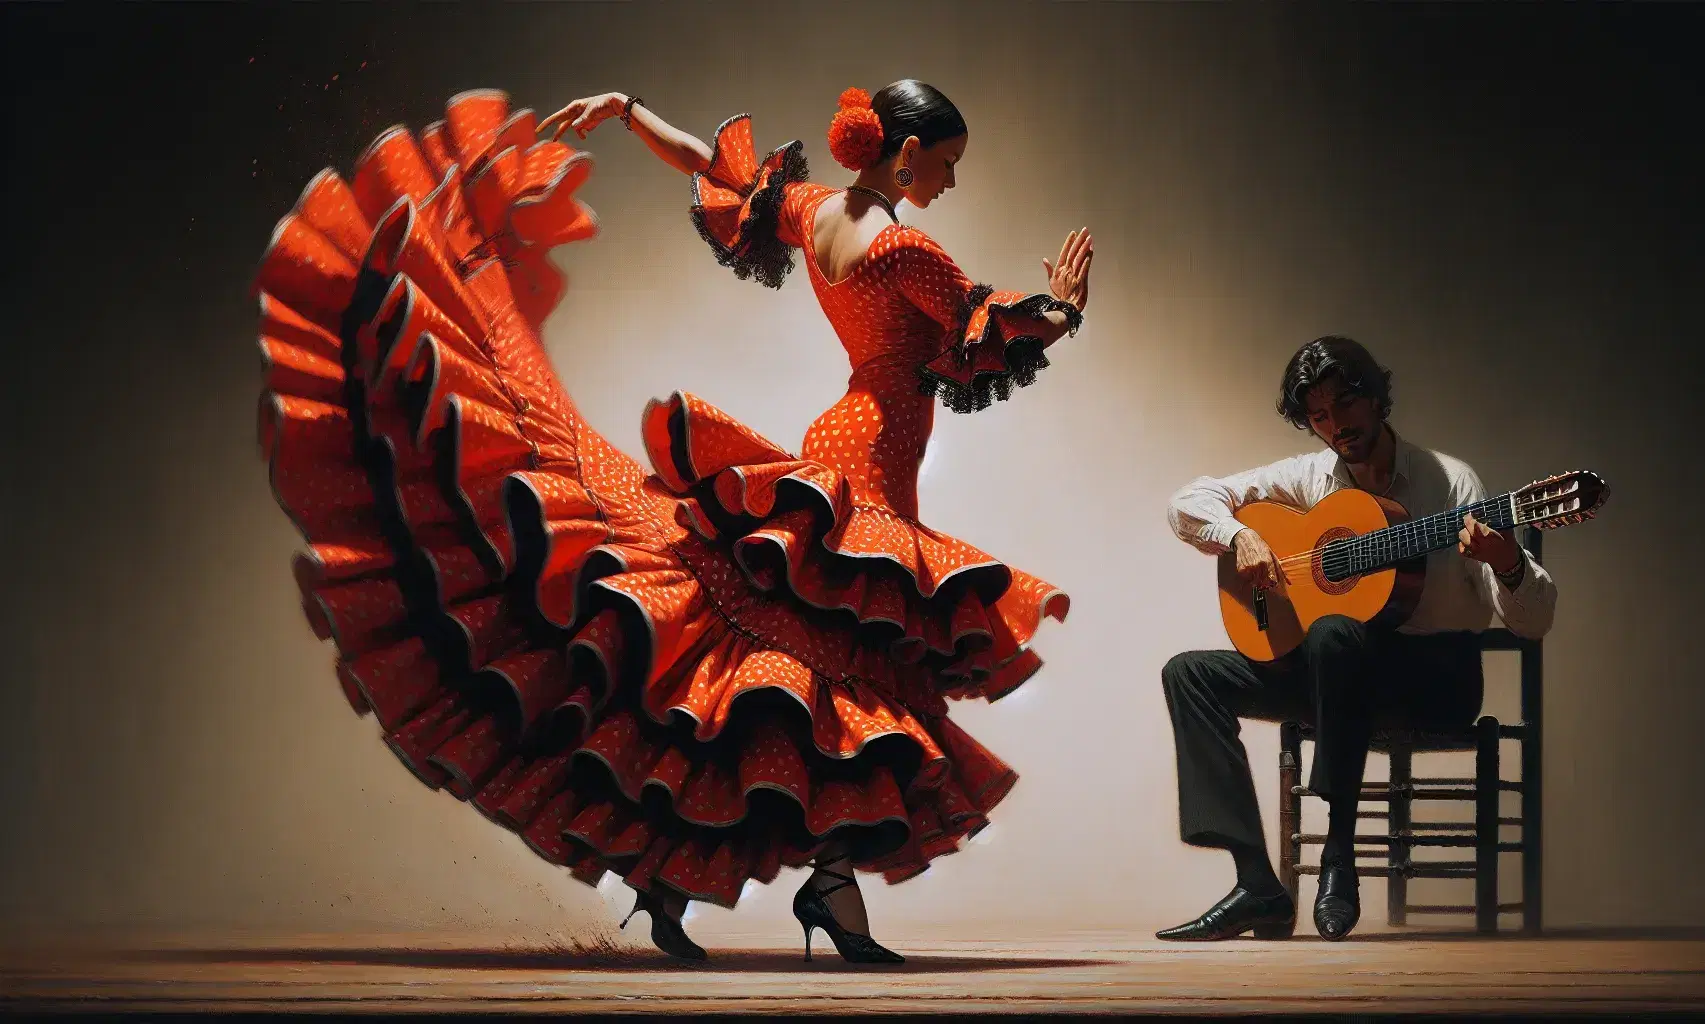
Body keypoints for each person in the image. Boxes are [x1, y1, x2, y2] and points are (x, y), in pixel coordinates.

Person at [252, 82, 1092, 965]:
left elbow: (711, 166)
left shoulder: (816, 212)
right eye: (947, 165)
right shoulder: (910, 249)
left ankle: (675, 872)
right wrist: (1066, 309)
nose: (950, 184)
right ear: (908, 153)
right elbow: (983, 327)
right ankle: (823, 887)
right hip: (871, 455)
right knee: (849, 678)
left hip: (845, 436)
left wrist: (627, 113)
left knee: (778, 671)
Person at [1155, 335, 1556, 942]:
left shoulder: (1451, 484)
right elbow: (1186, 501)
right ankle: (1258, 885)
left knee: (1334, 634)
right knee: (1190, 674)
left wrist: (1507, 562)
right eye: (1318, 415)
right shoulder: (1312, 477)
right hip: (1335, 673)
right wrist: (1236, 535)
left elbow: (1534, 621)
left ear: (1376, 397)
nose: (1335, 424)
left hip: (1433, 679)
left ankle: (1337, 853)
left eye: (1346, 404)